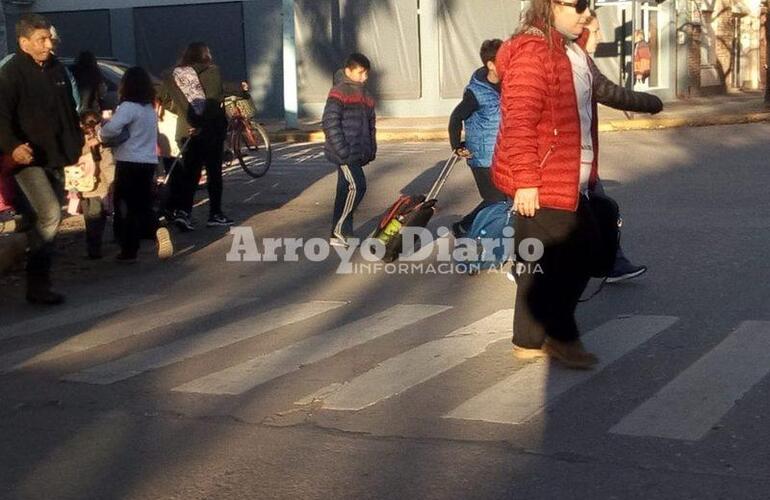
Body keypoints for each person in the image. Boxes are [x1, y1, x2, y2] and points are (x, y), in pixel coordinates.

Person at [491, 0, 662, 369]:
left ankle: (528, 340)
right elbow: (518, 121)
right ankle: (561, 336)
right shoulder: (532, 54)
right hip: (544, 179)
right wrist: (525, 182)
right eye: (579, 4)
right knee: (580, 254)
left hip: (573, 178)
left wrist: (648, 102)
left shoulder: (573, 52)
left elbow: (604, 90)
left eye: (591, 5)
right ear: (549, 5)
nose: (587, 13)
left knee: (544, 261)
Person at [0, 14, 83, 304]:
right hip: (26, 160)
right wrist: (12, 147)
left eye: (50, 38)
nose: (49, 44)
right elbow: (1, 116)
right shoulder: (10, 73)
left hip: (55, 157)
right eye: (41, 40)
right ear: (24, 43)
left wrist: (78, 144)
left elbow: (68, 112)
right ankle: (36, 278)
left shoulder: (57, 69)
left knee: (42, 218)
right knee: (50, 214)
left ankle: (36, 282)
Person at [159, 42, 244, 231]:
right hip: (209, 130)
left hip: (185, 130)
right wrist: (201, 122)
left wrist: (184, 112)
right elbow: (212, 102)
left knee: (191, 173)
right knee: (214, 173)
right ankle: (215, 213)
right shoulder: (211, 71)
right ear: (205, 55)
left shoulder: (175, 74)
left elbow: (164, 98)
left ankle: (184, 213)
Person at [99, 66, 173, 262]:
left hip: (128, 161)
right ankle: (157, 229)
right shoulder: (149, 109)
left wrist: (101, 132)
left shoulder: (128, 107)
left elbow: (110, 130)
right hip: (147, 161)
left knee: (125, 207)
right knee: (143, 204)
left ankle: (129, 249)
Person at [448, 39, 508, 237]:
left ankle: (466, 226)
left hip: (504, 154)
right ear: (491, 64)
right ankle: (470, 231)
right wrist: (457, 145)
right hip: (483, 157)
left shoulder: (510, 85)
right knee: (496, 200)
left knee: (503, 198)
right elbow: (456, 117)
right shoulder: (476, 92)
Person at [323, 53, 376, 247]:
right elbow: (330, 122)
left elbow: (371, 124)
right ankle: (339, 230)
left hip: (359, 151)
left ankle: (340, 233)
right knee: (358, 186)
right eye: (361, 73)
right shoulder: (339, 92)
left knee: (344, 190)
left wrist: (371, 148)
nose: (364, 77)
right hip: (345, 153)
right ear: (348, 71)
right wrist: (342, 150)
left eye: (366, 73)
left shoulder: (366, 95)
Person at [77, 111, 115, 259]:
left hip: (82, 186)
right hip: (100, 188)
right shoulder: (102, 143)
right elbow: (108, 164)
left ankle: (92, 247)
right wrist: (112, 182)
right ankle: (95, 247)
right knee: (98, 218)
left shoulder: (77, 143)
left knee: (89, 218)